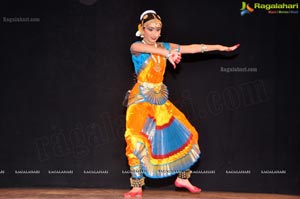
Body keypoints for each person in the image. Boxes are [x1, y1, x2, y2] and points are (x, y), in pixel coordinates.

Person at [124, 10, 239, 197]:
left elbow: (191, 48)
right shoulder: (136, 47)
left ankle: (183, 178)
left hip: (160, 100)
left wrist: (218, 47)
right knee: (134, 140)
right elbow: (151, 50)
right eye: (150, 29)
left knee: (190, 133)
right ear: (142, 29)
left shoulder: (164, 46)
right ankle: (137, 185)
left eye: (158, 30)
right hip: (140, 101)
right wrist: (167, 54)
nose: (155, 34)